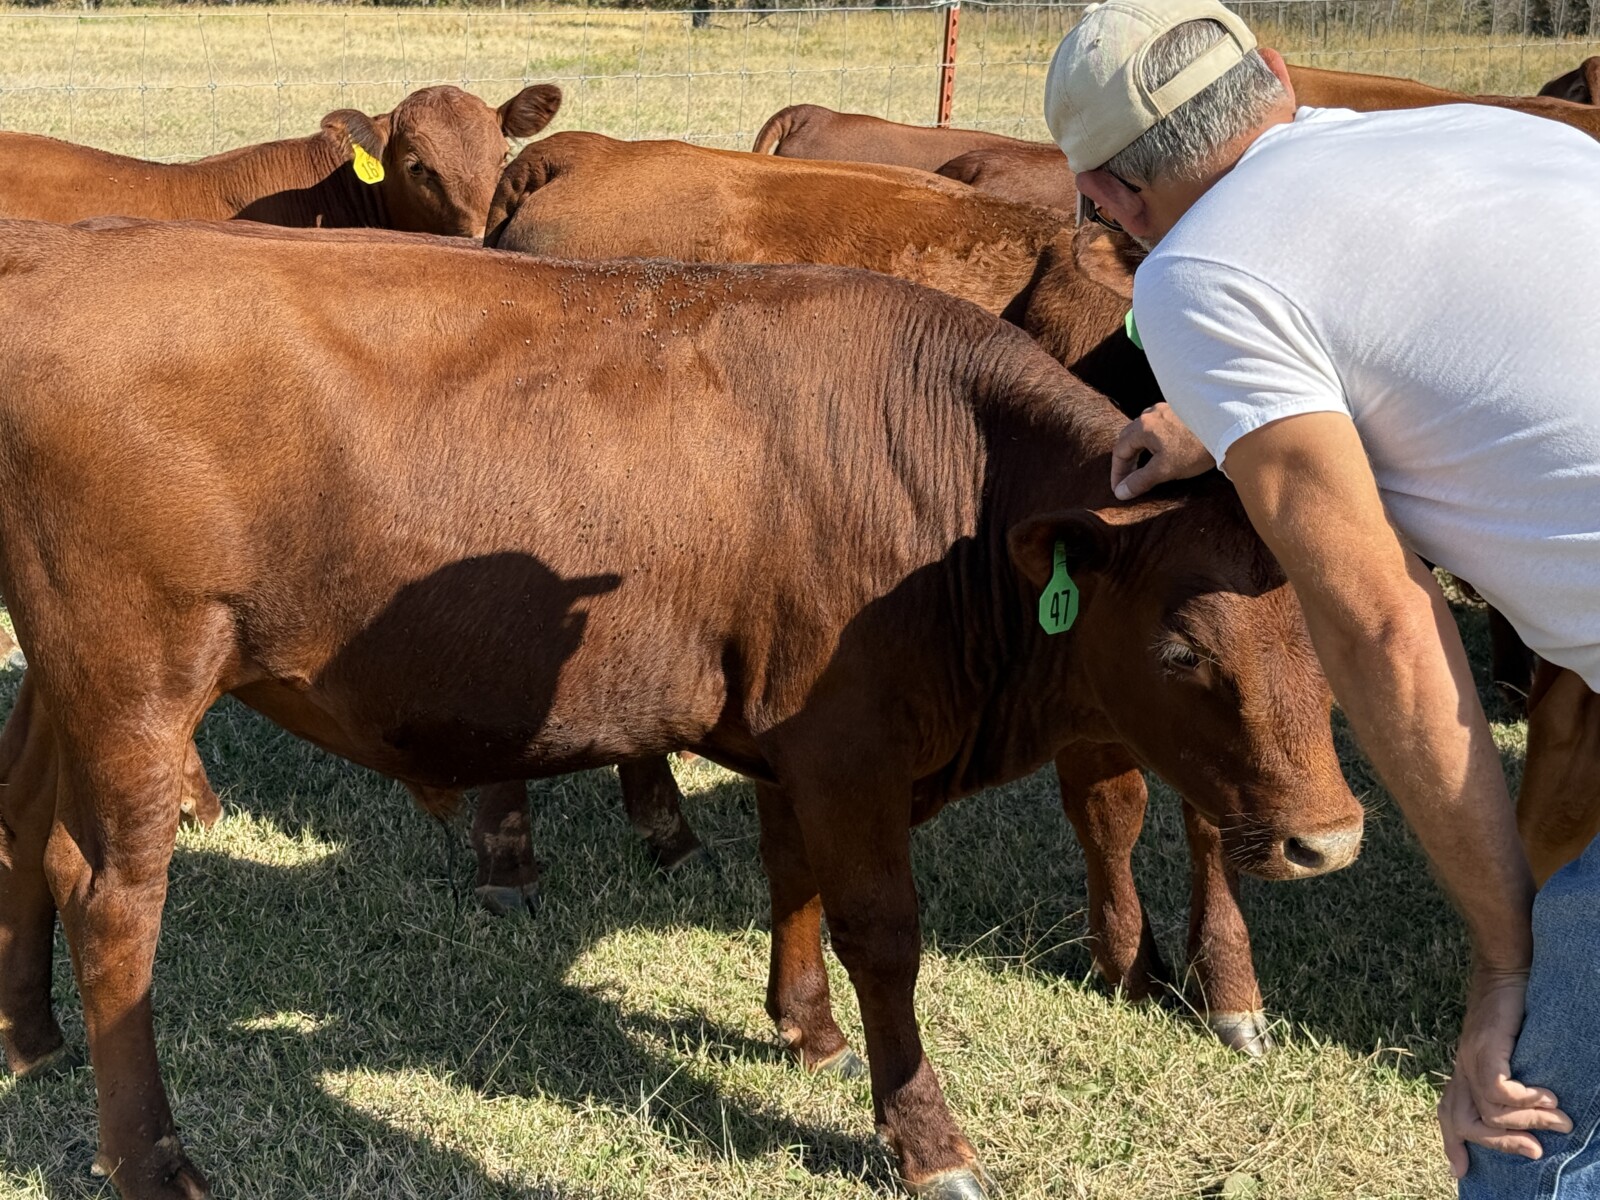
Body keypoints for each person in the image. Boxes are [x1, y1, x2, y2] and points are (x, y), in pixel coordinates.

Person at [1042, 1, 1600, 1194]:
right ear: (1276, 78)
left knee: (1527, 1136)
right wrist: (1236, 418)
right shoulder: (1514, 137)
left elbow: (1387, 624)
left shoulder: (1198, 276)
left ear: (1108, 198)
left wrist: (1508, 967)